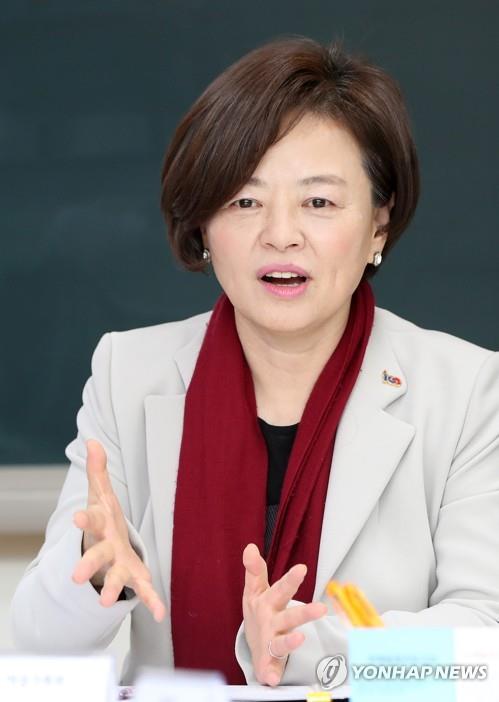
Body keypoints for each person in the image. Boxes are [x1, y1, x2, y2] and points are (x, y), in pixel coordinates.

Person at [11, 36, 499, 687]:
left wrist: (309, 652)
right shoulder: (129, 374)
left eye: (318, 202)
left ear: (378, 225)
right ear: (204, 228)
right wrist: (92, 566)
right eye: (244, 201)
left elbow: (484, 649)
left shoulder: (465, 391)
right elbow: (36, 648)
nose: (280, 234)